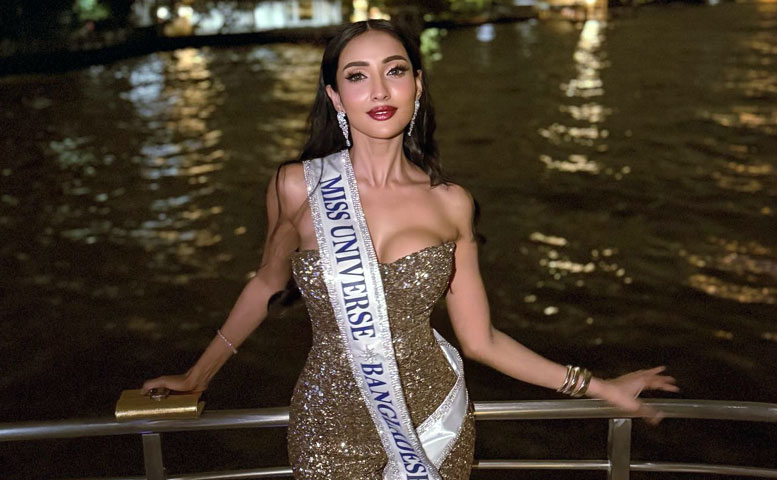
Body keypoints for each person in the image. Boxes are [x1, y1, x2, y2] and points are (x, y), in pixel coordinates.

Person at [142, 19, 678, 480]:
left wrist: (598, 387)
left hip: (432, 424)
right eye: (358, 76)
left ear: (417, 85)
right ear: (335, 97)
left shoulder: (451, 203)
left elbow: (481, 340)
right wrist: (197, 376)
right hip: (327, 427)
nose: (379, 91)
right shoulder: (297, 186)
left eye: (394, 71)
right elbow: (266, 283)